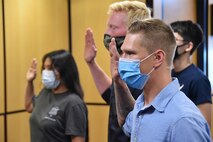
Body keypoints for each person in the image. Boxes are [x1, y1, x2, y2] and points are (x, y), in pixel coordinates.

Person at [109, 19, 211, 141]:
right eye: (122, 52)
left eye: (130, 53)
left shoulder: (184, 120)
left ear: (158, 58)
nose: (122, 60)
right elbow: (127, 121)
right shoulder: (144, 103)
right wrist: (118, 81)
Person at [84, 1, 151, 142]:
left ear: (134, 30)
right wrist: (91, 63)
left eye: (113, 27)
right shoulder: (123, 65)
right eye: (108, 26)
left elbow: (141, 121)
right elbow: (112, 97)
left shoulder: (145, 71)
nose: (107, 32)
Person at [25, 50, 88, 142]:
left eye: (50, 68)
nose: (46, 72)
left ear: (64, 71)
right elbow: (29, 106)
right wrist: (29, 82)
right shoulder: (45, 92)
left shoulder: (73, 103)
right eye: (45, 68)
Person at [170, 20, 212, 127]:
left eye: (174, 39)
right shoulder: (169, 74)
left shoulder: (199, 79)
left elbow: (205, 122)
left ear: (188, 46)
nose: (169, 44)